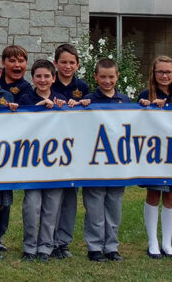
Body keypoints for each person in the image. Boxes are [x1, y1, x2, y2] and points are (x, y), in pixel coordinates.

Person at [138, 55, 172, 259]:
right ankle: (153, 242)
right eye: (160, 72)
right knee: (153, 194)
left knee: (171, 196)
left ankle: (167, 243)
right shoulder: (146, 94)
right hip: (153, 153)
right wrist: (147, 105)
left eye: (168, 72)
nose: (164, 75)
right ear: (153, 74)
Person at [80, 58, 132, 262]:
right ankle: (94, 247)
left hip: (118, 163)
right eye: (103, 77)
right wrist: (80, 107)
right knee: (94, 207)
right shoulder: (89, 100)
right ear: (95, 77)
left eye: (111, 77)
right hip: (94, 162)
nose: (107, 81)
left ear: (117, 77)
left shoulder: (126, 101)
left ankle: (111, 246)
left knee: (114, 206)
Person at [17, 60, 67, 262]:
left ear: (53, 78)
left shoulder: (61, 100)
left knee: (52, 207)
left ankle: (46, 247)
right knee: (31, 206)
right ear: (33, 78)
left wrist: (60, 109)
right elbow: (17, 125)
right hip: (32, 163)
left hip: (55, 163)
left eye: (47, 76)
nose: (43, 80)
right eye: (38, 76)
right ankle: (29, 246)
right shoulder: (25, 99)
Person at [50, 43, 90, 259]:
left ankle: (63, 242)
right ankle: (48, 239)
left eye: (71, 62)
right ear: (55, 63)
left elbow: (91, 113)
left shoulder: (82, 87)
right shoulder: (48, 81)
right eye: (63, 62)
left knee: (70, 198)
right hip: (50, 150)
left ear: (78, 65)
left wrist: (85, 104)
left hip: (74, 150)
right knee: (52, 198)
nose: (67, 66)